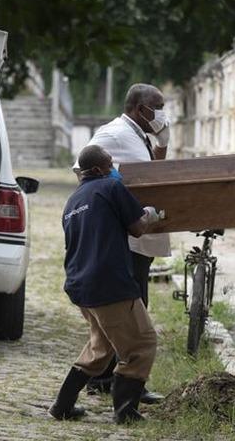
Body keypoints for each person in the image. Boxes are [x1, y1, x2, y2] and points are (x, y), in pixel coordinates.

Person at [49, 145, 162, 424]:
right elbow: (137, 226)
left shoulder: (73, 201)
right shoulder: (110, 187)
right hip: (109, 285)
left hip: (80, 285)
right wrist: (151, 213)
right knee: (141, 344)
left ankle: (62, 406)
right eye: (110, 163)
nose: (114, 168)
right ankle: (126, 412)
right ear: (99, 169)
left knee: (100, 349)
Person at [75, 83, 171, 403]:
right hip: (123, 238)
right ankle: (129, 387)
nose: (161, 113)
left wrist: (161, 147)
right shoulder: (113, 133)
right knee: (131, 315)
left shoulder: (139, 135)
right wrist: (114, 200)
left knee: (128, 311)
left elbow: (152, 175)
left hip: (138, 235)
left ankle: (105, 378)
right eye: (157, 107)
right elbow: (82, 167)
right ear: (139, 108)